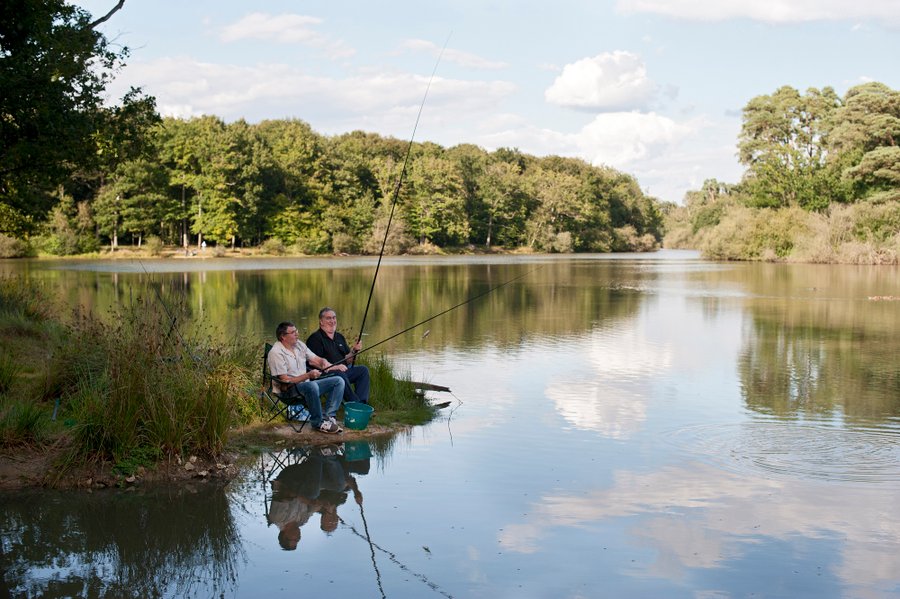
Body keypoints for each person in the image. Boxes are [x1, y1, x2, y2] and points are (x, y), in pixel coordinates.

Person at [268, 321, 345, 434]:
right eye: (293, 332)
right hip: (288, 391)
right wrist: (308, 375)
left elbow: (315, 359)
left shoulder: (299, 345)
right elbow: (284, 381)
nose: (297, 334)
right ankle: (318, 423)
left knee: (338, 381)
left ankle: (329, 417)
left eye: (296, 331)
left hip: (306, 386)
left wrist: (322, 361)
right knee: (311, 385)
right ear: (283, 337)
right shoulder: (276, 353)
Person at [306, 307, 371, 406]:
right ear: (321, 321)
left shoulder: (339, 337)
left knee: (363, 370)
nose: (332, 321)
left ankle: (362, 403)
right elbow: (314, 362)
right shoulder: (315, 339)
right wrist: (335, 367)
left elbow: (347, 360)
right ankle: (355, 405)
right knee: (339, 373)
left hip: (342, 372)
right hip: (323, 375)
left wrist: (354, 351)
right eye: (328, 318)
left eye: (334, 318)